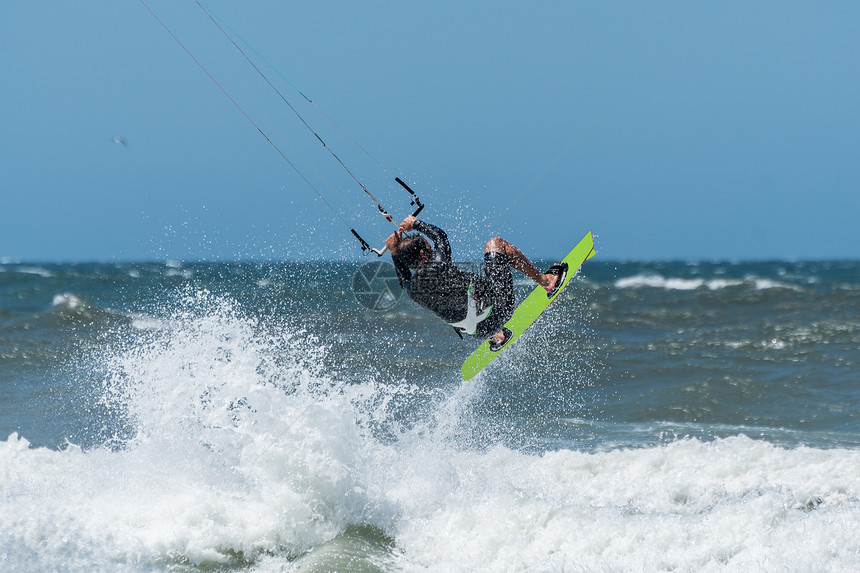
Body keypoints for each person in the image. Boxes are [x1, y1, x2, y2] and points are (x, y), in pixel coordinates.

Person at [385, 215, 566, 351]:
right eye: (429, 247)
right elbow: (441, 237)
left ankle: (498, 336)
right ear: (424, 254)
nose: (433, 249)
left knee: (462, 294)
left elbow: (404, 280)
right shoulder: (438, 265)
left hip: (480, 333)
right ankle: (547, 281)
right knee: (495, 244)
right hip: (502, 309)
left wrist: (394, 252)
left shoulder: (412, 290)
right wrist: (416, 224)